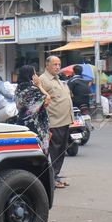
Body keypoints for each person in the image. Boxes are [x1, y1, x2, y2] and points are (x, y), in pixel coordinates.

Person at [39, 56, 73, 189]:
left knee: (61, 150)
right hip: (54, 121)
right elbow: (40, 101)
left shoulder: (58, 79)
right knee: (54, 151)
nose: (57, 67)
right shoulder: (43, 80)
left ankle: (55, 175)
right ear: (47, 66)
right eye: (54, 64)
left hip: (65, 120)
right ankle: (50, 178)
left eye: (59, 64)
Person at [15, 66, 51, 153]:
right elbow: (47, 99)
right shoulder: (33, 90)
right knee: (39, 152)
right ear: (30, 75)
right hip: (35, 124)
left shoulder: (18, 88)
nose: (36, 76)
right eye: (34, 73)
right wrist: (39, 85)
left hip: (22, 122)